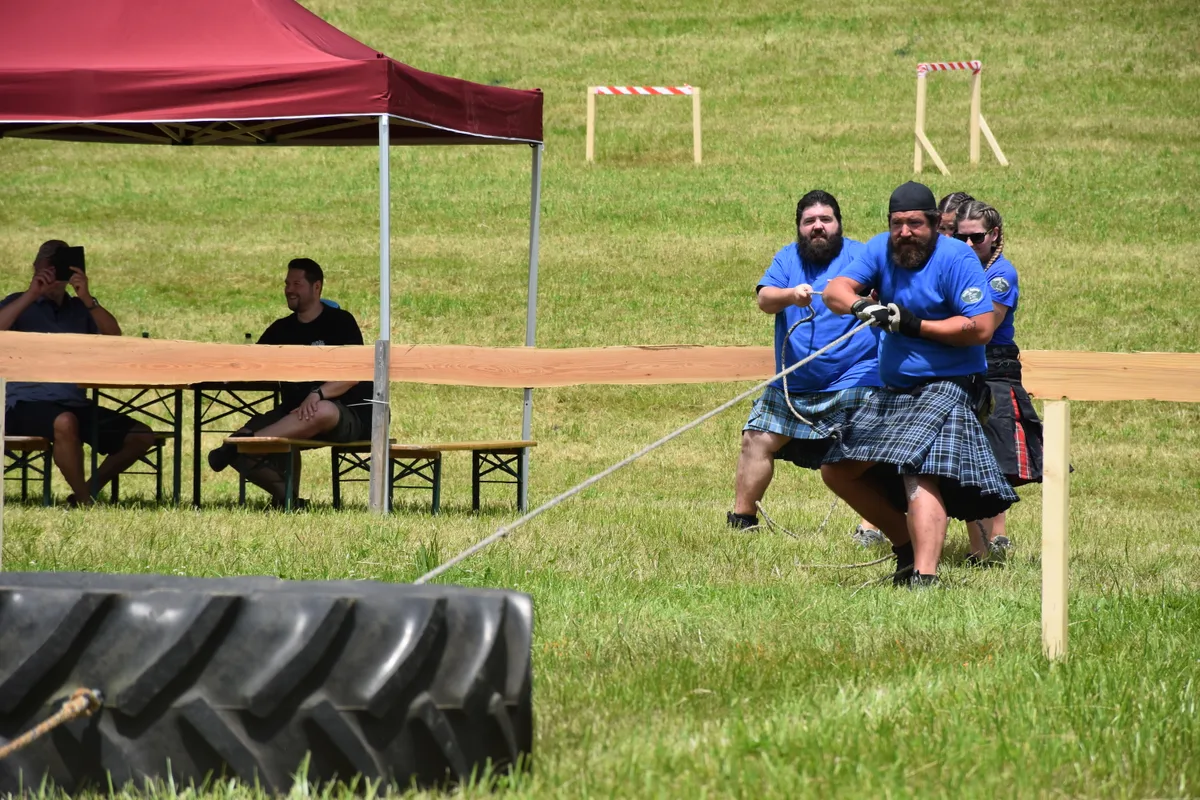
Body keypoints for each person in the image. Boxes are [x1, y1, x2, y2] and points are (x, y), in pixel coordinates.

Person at [820, 182, 1019, 586]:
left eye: (915, 223)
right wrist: (862, 305)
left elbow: (980, 326)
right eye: (898, 224)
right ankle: (905, 548)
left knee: (918, 471)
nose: (905, 232)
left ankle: (925, 578)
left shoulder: (957, 258)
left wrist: (915, 325)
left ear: (932, 222)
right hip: (894, 389)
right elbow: (834, 290)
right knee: (837, 469)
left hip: (948, 383)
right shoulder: (880, 249)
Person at [729, 191, 883, 539]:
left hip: (855, 375)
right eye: (809, 221)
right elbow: (765, 300)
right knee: (756, 437)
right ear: (799, 227)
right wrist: (790, 295)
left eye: (825, 220)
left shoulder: (861, 256)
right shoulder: (786, 259)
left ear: (839, 224)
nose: (818, 227)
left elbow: (889, 295)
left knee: (870, 442)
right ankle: (742, 521)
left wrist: (873, 299)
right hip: (795, 382)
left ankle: (872, 526)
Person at [207, 258, 371, 507]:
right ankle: (289, 499)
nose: (289, 289)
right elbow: (253, 364)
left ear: (317, 287)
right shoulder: (280, 329)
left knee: (322, 410)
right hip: (293, 413)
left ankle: (249, 443)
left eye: (297, 283)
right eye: (287, 283)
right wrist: (227, 371)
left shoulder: (340, 322)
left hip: (349, 416)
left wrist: (318, 394)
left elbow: (353, 375)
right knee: (236, 445)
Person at [0, 240, 154, 505]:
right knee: (65, 422)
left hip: (73, 402)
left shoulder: (80, 309)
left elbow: (113, 337)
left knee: (141, 436)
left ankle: (87, 491)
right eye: (48, 263)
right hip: (24, 405)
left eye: (61, 265)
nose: (54, 272)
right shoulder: (18, 304)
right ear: (36, 267)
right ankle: (84, 501)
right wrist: (31, 294)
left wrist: (86, 297)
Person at [954, 200, 1043, 559]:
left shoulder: (1001, 274)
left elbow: (984, 327)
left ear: (994, 235)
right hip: (962, 363)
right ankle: (980, 549)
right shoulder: (961, 266)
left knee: (993, 457)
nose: (968, 245)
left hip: (995, 369)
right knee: (967, 455)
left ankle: (994, 541)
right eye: (960, 237)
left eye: (976, 237)